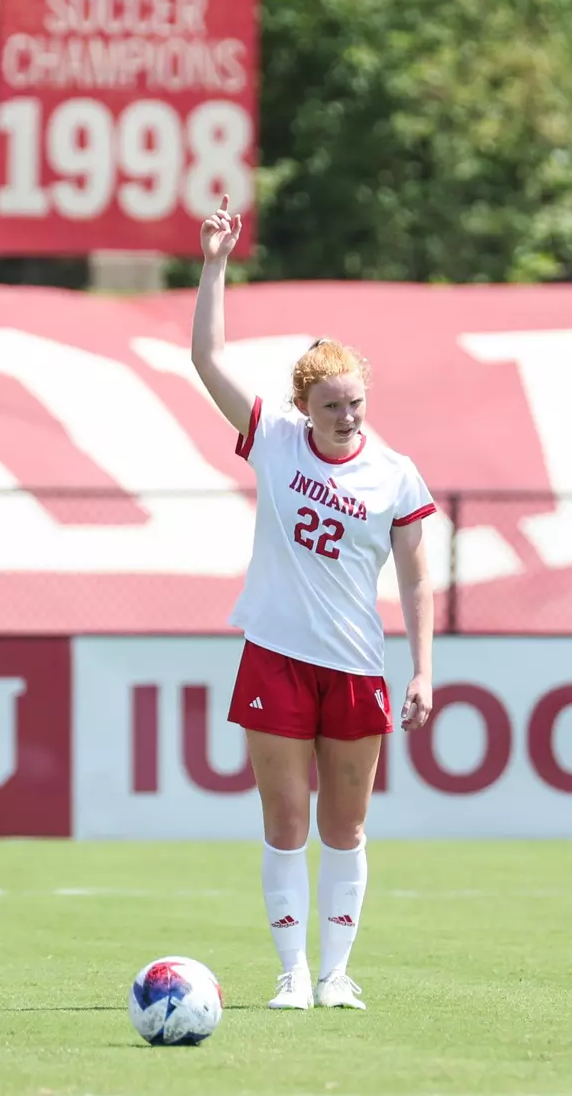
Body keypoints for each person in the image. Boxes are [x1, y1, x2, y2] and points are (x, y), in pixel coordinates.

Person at [192, 195, 437, 1011]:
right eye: (330, 404)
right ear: (304, 408)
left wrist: (422, 671)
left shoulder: (396, 474)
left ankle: (337, 974)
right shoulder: (275, 440)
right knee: (285, 818)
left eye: (355, 402)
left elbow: (416, 575)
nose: (346, 416)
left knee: (347, 826)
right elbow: (207, 359)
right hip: (276, 654)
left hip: (357, 666)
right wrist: (216, 263)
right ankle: (292, 971)